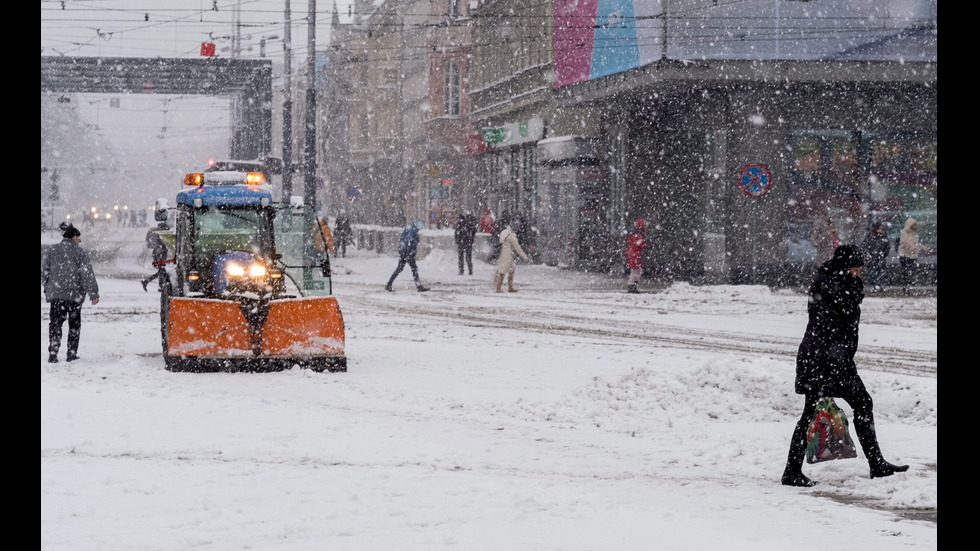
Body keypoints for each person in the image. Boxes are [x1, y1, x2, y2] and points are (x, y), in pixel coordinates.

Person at [781, 244, 908, 487]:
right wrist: (837, 357)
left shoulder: (840, 284)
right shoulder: (828, 286)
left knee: (861, 403)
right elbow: (829, 325)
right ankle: (791, 472)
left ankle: (877, 463)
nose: (858, 274)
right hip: (822, 362)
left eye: (859, 270)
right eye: (855, 270)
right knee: (811, 414)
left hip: (835, 361)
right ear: (843, 268)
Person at [42, 222, 100, 363]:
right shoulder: (80, 253)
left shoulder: (52, 250)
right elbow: (87, 275)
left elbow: (43, 271)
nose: (79, 240)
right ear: (72, 237)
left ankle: (53, 352)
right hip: (75, 296)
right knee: (74, 325)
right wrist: (93, 293)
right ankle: (71, 353)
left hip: (57, 296)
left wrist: (49, 286)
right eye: (78, 237)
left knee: (55, 324)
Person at [386, 219, 430, 292]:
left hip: (403, 252)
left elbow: (404, 240)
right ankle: (419, 286)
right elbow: (408, 241)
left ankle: (389, 284)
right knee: (414, 269)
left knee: (400, 268)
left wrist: (404, 250)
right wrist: (409, 252)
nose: (421, 228)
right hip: (407, 253)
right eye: (421, 226)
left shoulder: (410, 229)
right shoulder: (413, 231)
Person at [494, 212, 529, 293]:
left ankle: (509, 287)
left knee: (511, 269)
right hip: (507, 254)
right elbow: (517, 248)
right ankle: (498, 288)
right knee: (503, 271)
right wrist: (525, 257)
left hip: (502, 253)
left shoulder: (503, 232)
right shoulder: (512, 235)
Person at [897, 217, 931, 295]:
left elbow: (916, 243)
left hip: (912, 256)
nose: (915, 226)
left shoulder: (914, 233)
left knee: (910, 272)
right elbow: (906, 242)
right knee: (906, 272)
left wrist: (924, 248)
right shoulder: (904, 232)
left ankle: (907, 286)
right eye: (913, 225)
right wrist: (912, 248)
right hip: (904, 255)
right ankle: (905, 288)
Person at [140, 217, 172, 291]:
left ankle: (147, 282)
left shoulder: (161, 231)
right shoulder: (160, 231)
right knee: (162, 270)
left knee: (161, 271)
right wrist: (159, 249)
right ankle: (159, 285)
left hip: (161, 253)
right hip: (159, 253)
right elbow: (156, 242)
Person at [860, 221, 890, 293]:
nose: (882, 229)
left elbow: (887, 246)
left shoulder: (884, 236)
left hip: (880, 258)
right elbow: (863, 246)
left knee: (881, 272)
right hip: (873, 258)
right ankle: (874, 286)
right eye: (880, 227)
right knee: (873, 272)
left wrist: (884, 253)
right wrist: (867, 253)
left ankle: (878, 285)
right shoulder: (871, 236)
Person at [625, 219, 647, 293]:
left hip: (633, 253)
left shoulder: (634, 234)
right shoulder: (638, 235)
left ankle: (633, 286)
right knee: (636, 270)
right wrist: (642, 240)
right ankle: (632, 286)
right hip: (634, 254)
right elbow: (638, 244)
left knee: (636, 270)